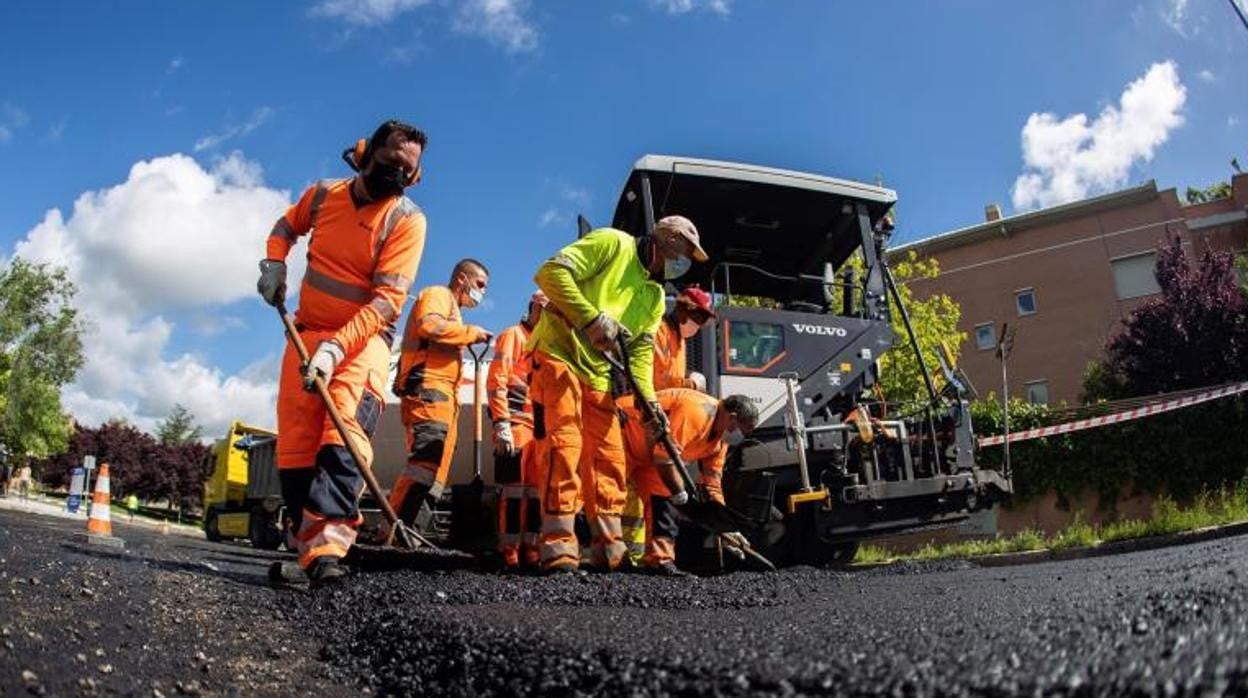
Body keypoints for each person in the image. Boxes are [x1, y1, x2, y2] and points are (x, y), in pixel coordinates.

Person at [256, 119, 428, 586]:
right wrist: (274, 261)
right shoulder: (323, 196)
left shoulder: (406, 221)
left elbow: (387, 301)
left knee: (343, 435)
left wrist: (336, 349)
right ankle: (306, 546)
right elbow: (284, 226)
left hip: (364, 343)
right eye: (392, 162)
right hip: (305, 333)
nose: (398, 175)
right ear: (366, 153)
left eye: (408, 171)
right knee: (295, 444)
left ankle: (329, 549)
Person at [529, 215, 707, 573]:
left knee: (609, 459)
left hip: (599, 374)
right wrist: (591, 319)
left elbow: (639, 358)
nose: (681, 263)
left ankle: (609, 550)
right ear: (664, 242)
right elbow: (549, 274)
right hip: (558, 354)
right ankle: (558, 548)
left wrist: (651, 407)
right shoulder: (612, 243)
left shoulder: (655, 295)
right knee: (565, 447)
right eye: (682, 253)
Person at [387, 259, 492, 534]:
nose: (482, 292)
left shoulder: (454, 311)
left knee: (436, 471)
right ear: (461, 279)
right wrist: (471, 333)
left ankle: (411, 532)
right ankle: (396, 531)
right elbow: (429, 327)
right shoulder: (438, 295)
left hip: (443, 395)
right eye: (479, 285)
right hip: (428, 388)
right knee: (425, 461)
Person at [621, 389, 758, 575]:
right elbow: (665, 457)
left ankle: (660, 561)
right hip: (622, 429)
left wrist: (725, 527)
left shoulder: (719, 441)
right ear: (732, 418)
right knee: (606, 492)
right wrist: (679, 492)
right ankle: (595, 555)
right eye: (742, 431)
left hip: (649, 455)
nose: (740, 437)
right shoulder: (696, 412)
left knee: (662, 503)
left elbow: (712, 484)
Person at [488, 290, 547, 570]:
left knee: (535, 492)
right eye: (542, 310)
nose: (545, 316)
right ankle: (509, 549)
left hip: (538, 429)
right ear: (532, 308)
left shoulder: (545, 344)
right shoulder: (514, 335)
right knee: (513, 491)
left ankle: (531, 546)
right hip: (515, 424)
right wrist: (501, 423)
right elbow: (497, 380)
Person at [653, 285, 715, 392]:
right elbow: (655, 379)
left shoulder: (680, 340)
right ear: (682, 311)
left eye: (702, 322)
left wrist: (688, 376)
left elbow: (673, 373)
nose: (698, 325)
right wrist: (689, 384)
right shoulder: (659, 332)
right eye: (697, 318)